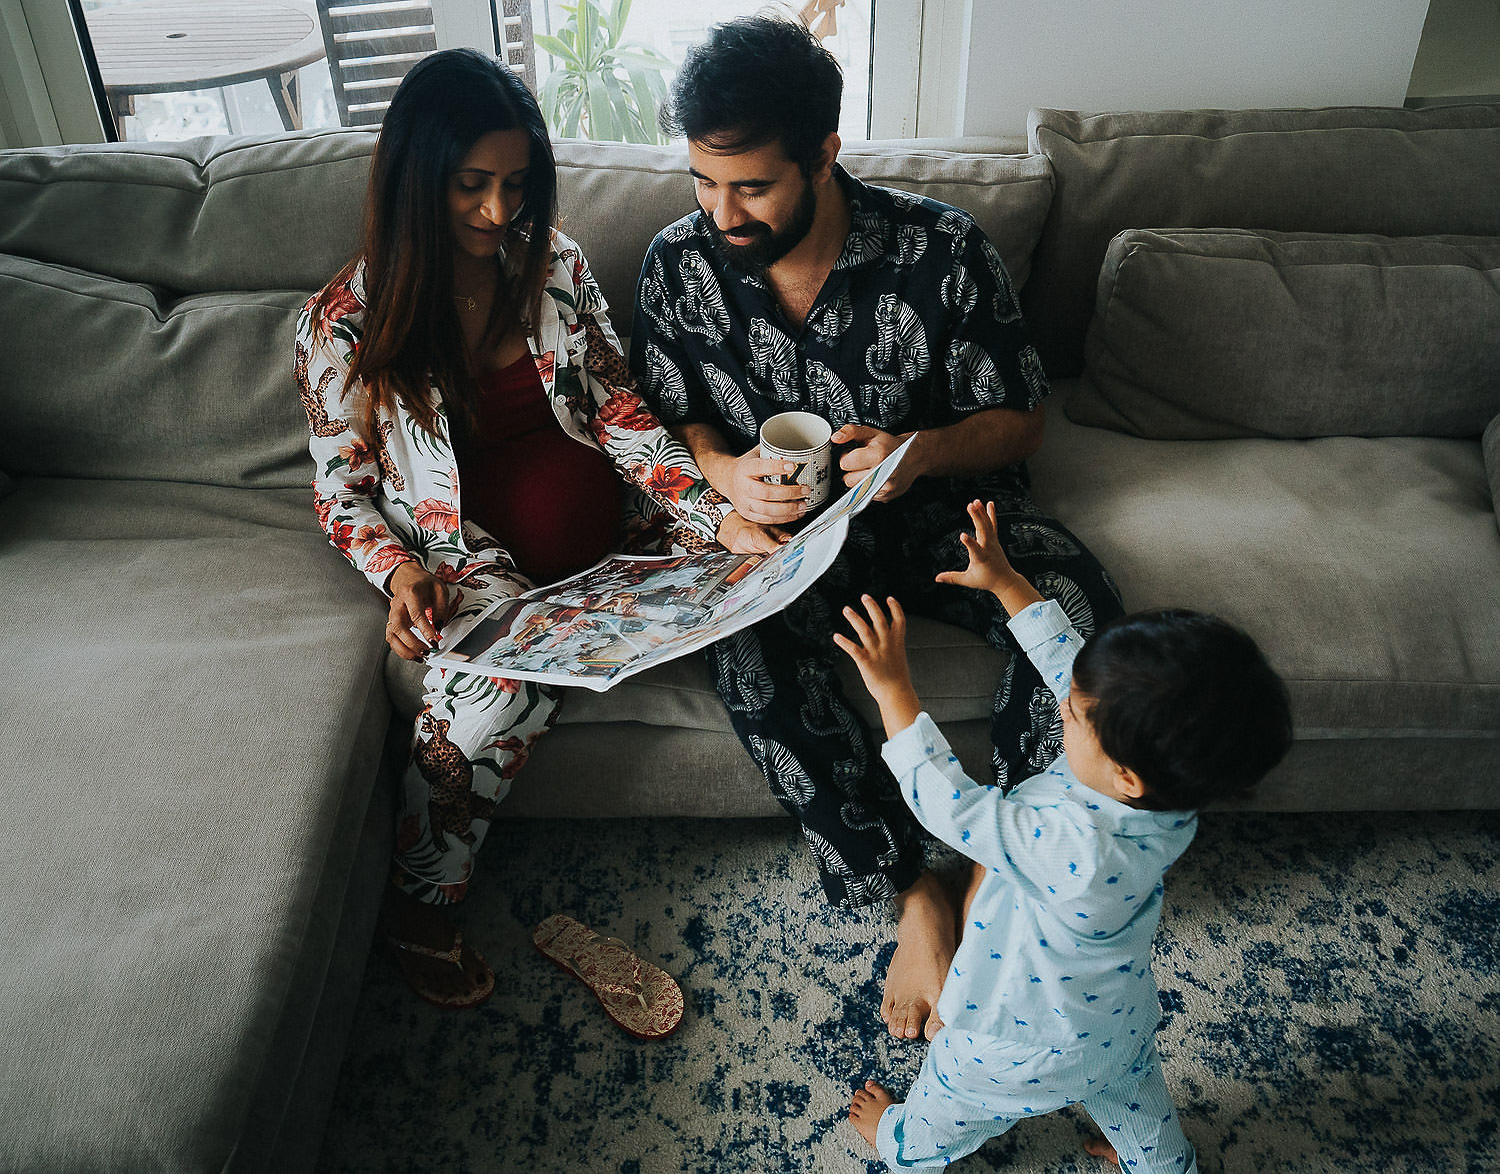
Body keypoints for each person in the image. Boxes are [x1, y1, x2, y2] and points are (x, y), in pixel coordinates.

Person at [628, 14, 1124, 1039]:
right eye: (703, 184)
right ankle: (911, 892)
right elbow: (675, 415)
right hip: (795, 541)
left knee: (1077, 610)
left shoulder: (943, 250)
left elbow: (1023, 415)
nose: (722, 212)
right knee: (735, 644)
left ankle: (996, 872)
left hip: (945, 515)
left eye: (752, 186)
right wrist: (725, 474)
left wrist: (922, 452)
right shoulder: (678, 264)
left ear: (823, 154)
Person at [296, 48, 779, 1009]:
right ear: (414, 180)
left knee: (779, 574)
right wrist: (398, 575)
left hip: (628, 534)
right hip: (488, 565)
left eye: (517, 184)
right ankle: (421, 901)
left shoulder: (551, 264)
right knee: (483, 703)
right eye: (471, 186)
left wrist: (712, 514)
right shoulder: (342, 326)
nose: (496, 210)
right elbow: (338, 493)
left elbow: (619, 408)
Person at [836, 499, 1293, 1170]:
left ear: (1126, 772)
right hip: (1115, 1026)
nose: (1060, 707)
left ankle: (904, 1145)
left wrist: (893, 689)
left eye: (1075, 718)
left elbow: (952, 806)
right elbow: (1070, 668)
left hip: (1011, 1047)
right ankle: (1165, 1166)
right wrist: (1008, 584)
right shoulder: (1169, 801)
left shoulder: (1072, 849)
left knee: (945, 1099)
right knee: (1137, 1105)